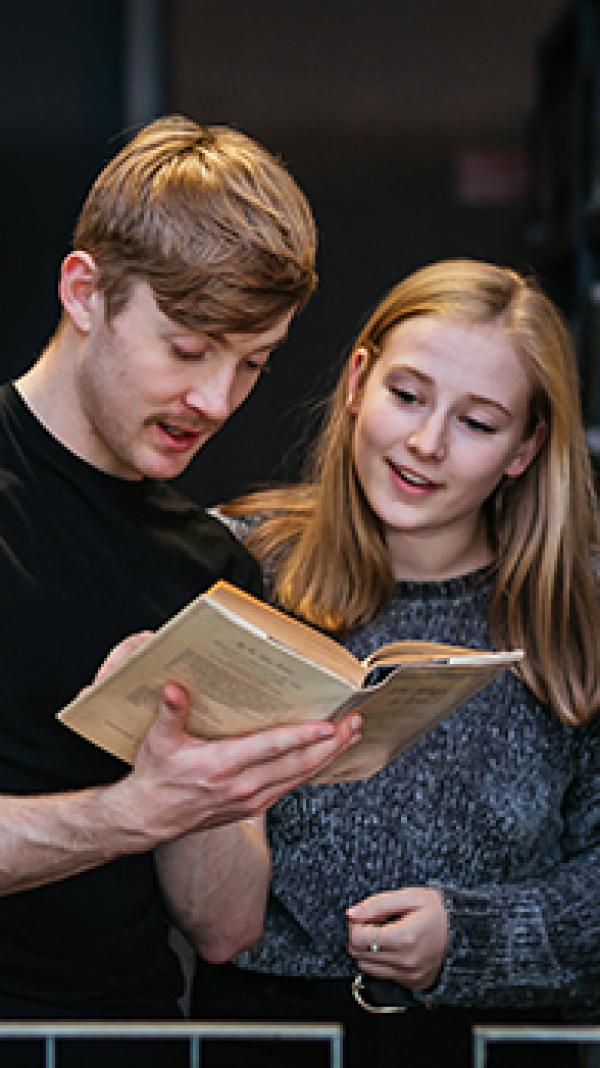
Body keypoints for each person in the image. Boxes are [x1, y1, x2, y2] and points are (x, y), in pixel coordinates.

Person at [0, 114, 361, 1067]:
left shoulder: (209, 567)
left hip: (131, 1039)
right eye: (188, 347)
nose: (217, 400)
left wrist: (207, 767)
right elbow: (135, 816)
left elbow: (228, 926)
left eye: (254, 361)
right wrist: (130, 810)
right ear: (86, 294)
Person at [187, 258, 600, 1068]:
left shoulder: (576, 605)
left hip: (500, 1043)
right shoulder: (238, 565)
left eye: (478, 423)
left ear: (525, 448)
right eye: (407, 396)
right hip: (267, 1035)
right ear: (356, 382)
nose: (425, 443)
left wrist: (475, 940)